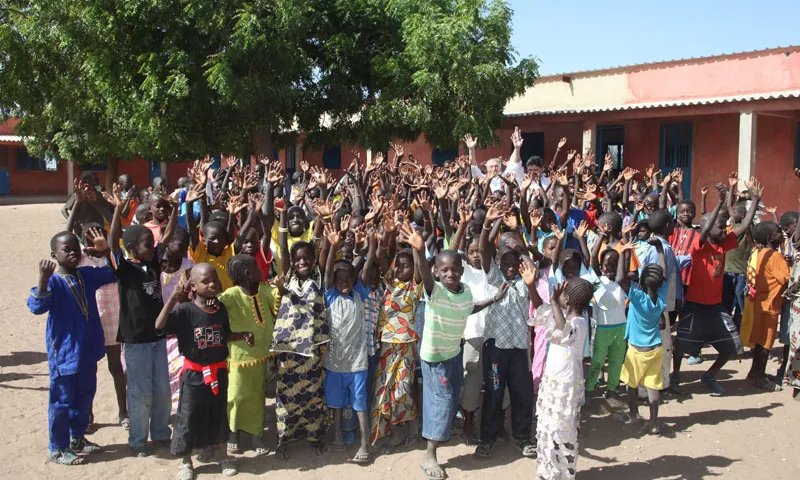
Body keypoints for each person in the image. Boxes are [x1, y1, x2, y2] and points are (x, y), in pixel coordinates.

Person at [399, 222, 507, 480]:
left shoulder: (464, 291)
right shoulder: (434, 292)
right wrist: (419, 249)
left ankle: (439, 438)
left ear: (462, 271)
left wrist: (493, 299)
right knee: (442, 401)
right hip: (435, 357)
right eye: (444, 270)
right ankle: (429, 456)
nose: (451, 274)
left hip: (453, 353)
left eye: (455, 269)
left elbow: (468, 308)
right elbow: (424, 274)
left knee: (451, 396)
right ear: (437, 273)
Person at [155, 263, 254, 479]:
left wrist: (242, 334)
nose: (212, 285)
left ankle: (220, 454)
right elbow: (159, 326)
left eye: (214, 280)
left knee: (217, 415)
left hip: (218, 373)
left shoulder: (219, 309)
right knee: (188, 417)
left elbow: (223, 335)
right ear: (192, 285)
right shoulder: (185, 311)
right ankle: (185, 460)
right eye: (205, 281)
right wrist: (173, 298)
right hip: (194, 375)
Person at [27, 231, 116, 465]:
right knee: (62, 400)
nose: (73, 252)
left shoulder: (87, 275)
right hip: (65, 353)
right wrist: (43, 279)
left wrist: (105, 250)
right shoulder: (54, 282)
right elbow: (36, 306)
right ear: (54, 254)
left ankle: (77, 438)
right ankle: (57, 447)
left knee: (85, 396)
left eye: (75, 247)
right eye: (66, 249)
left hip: (88, 349)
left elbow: (113, 273)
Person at [107, 184, 177, 457]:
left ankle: (160, 433)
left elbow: (168, 235)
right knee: (140, 393)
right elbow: (113, 242)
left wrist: (174, 210)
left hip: (157, 338)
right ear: (133, 248)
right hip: (135, 341)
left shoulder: (154, 263)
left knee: (161, 391)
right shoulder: (123, 269)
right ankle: (137, 440)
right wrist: (117, 212)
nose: (153, 246)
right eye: (148, 244)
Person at [673, 181, 761, 394]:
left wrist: (755, 201)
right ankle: (675, 375)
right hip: (694, 306)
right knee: (681, 345)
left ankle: (710, 376)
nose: (724, 230)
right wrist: (720, 202)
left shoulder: (723, 243)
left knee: (731, 347)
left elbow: (743, 227)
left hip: (716, 307)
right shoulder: (699, 247)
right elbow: (702, 234)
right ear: (706, 228)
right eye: (720, 227)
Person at [475, 204, 540, 459]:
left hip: (519, 349)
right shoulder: (493, 277)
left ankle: (523, 437)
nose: (511, 266)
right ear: (498, 259)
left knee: (522, 393)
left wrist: (517, 241)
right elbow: (483, 248)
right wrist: (488, 225)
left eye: (516, 261)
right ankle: (487, 438)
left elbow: (535, 300)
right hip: (495, 349)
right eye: (506, 260)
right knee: (493, 393)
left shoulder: (526, 279)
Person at [269, 201, 329, 459]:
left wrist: (322, 219)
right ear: (291, 262)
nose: (302, 261)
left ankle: (314, 436)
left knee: (313, 395)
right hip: (288, 350)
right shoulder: (288, 277)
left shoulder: (317, 276)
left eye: (307, 258)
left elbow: (318, 243)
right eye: (297, 259)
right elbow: (282, 247)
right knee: (286, 396)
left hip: (312, 349)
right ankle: (284, 440)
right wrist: (282, 216)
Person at [533, 277, 594, 480]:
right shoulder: (563, 317)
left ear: (566, 300)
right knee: (548, 427)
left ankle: (563, 473)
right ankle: (548, 471)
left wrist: (553, 302)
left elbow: (564, 331)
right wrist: (530, 285)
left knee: (562, 429)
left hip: (565, 386)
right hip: (553, 381)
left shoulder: (579, 323)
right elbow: (540, 310)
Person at [218, 255, 279, 456]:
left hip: (262, 355)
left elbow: (277, 299)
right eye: (255, 267)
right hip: (239, 358)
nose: (260, 269)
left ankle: (255, 434)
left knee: (256, 397)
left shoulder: (263, 289)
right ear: (246, 274)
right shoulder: (232, 294)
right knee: (236, 396)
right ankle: (233, 433)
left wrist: (281, 287)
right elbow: (215, 305)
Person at [370, 217, 423, 447]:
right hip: (386, 344)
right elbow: (381, 258)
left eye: (407, 265)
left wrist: (416, 248)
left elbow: (421, 268)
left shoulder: (415, 285)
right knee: (383, 391)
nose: (402, 268)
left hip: (406, 345)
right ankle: (395, 433)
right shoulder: (390, 283)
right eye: (399, 265)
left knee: (402, 389)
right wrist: (389, 234)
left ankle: (412, 426)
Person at [321, 224, 371, 463]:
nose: (343, 283)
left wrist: (371, 244)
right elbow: (329, 268)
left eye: (348, 278)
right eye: (338, 279)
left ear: (354, 279)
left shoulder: (360, 292)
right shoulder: (330, 295)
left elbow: (367, 266)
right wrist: (332, 246)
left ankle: (364, 443)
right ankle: (338, 435)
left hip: (358, 362)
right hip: (334, 362)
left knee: (360, 403)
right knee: (336, 402)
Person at [620, 238, 667, 435]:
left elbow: (621, 280)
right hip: (655, 349)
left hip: (636, 350)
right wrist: (659, 250)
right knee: (653, 385)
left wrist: (624, 252)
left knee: (631, 384)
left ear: (640, 281)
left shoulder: (638, 298)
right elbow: (662, 273)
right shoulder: (661, 298)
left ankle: (634, 414)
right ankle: (654, 422)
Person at [586, 235, 634, 397]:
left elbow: (625, 267)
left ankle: (612, 388)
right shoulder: (598, 282)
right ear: (601, 266)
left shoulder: (623, 283)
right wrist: (601, 237)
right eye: (606, 265)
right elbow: (593, 256)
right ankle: (590, 388)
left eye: (615, 264)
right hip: (602, 330)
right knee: (598, 362)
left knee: (617, 361)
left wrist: (625, 251)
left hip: (620, 329)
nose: (610, 268)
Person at [746, 221, 790, 390]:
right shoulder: (775, 256)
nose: (781, 233)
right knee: (766, 343)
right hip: (770, 305)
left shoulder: (761, 253)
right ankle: (759, 377)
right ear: (770, 237)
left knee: (759, 341)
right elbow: (786, 279)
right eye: (779, 231)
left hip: (760, 303)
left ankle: (755, 372)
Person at [159, 227, 194, 415]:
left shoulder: (188, 265)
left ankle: (178, 405)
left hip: (180, 322)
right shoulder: (158, 267)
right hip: (161, 320)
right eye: (181, 245)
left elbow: (190, 296)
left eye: (186, 246)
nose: (184, 249)